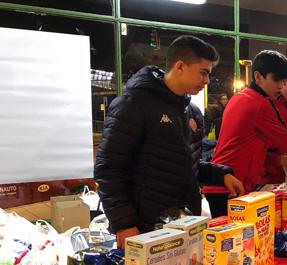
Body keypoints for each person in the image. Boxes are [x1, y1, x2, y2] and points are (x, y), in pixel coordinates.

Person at [95, 35, 244, 248]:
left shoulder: (191, 112)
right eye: (203, 73)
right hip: (144, 229)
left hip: (184, 224)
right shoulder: (133, 105)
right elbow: (109, 170)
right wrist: (124, 223)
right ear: (180, 66)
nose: (207, 81)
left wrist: (220, 175)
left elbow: (182, 165)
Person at [212, 51, 287, 193]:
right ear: (258, 77)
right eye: (276, 80)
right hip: (232, 184)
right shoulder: (258, 104)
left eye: (283, 81)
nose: (280, 86)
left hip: (223, 179)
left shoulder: (242, 97)